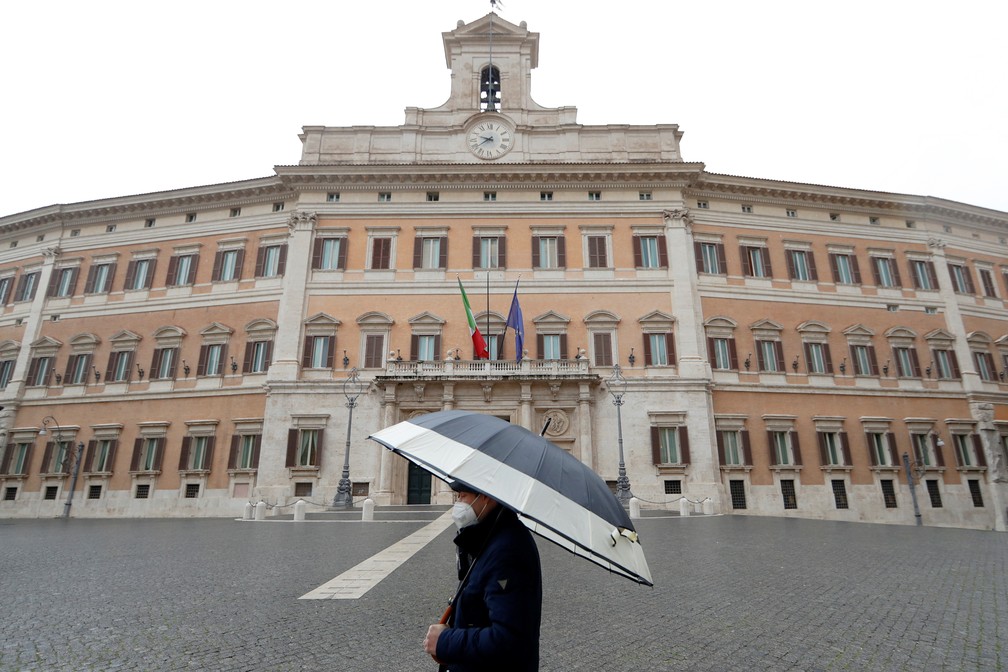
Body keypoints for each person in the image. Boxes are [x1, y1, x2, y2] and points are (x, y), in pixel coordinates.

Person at [423, 481, 542, 671]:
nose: (458, 503)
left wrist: (445, 641)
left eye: (463, 496)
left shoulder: (507, 551)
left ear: (486, 497)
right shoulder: (489, 536)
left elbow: (508, 640)